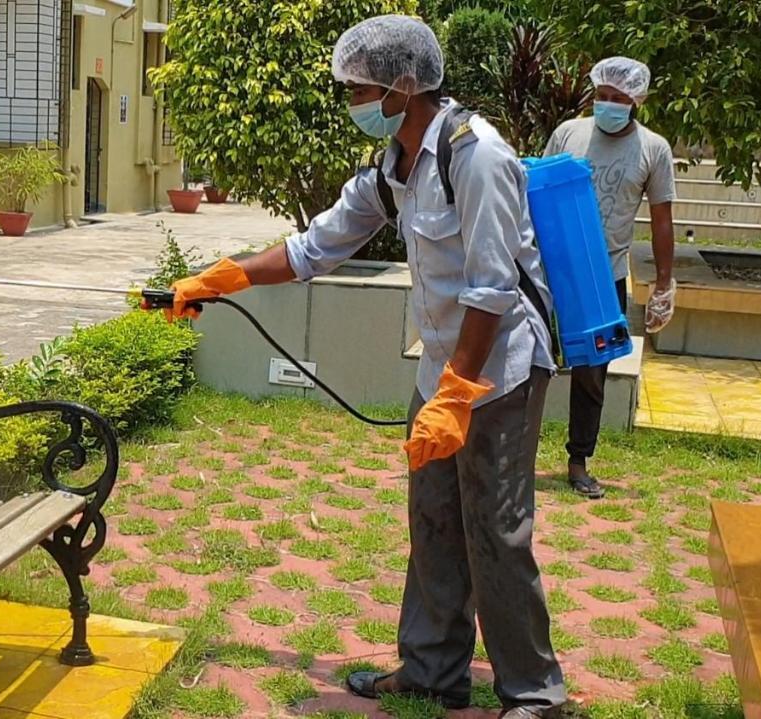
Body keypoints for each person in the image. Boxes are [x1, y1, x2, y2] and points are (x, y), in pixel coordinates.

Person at [168, 15, 565, 719]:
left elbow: (493, 287)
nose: (349, 100)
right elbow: (312, 249)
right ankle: (433, 672)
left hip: (499, 368)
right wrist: (219, 278)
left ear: (401, 89)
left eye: (357, 88)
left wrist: (458, 395)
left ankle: (533, 693)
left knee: (495, 528)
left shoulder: (479, 157)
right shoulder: (393, 167)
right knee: (434, 517)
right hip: (442, 365)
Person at [544, 57, 677, 499]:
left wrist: (663, 283)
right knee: (529, 359)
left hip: (605, 277)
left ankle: (578, 460)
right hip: (552, 269)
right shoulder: (569, 133)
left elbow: (661, 219)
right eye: (602, 96)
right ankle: (513, 450)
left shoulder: (652, 149)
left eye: (618, 99)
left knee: (592, 373)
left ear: (636, 101)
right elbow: (535, 191)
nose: (608, 104)